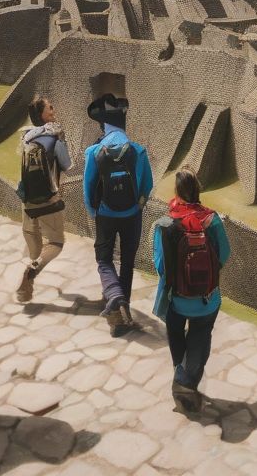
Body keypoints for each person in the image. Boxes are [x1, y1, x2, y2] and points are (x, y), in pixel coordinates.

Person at [152, 169, 231, 413]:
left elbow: (160, 265)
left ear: (176, 192)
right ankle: (186, 381)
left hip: (177, 299)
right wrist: (205, 274)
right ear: (198, 190)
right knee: (200, 334)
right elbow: (225, 253)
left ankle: (181, 374)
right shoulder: (212, 220)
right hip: (208, 299)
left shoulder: (166, 225)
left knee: (175, 331)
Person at [84, 93, 153, 335]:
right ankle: (125, 312)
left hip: (105, 214)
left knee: (104, 259)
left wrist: (95, 211)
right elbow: (147, 186)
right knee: (127, 262)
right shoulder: (138, 151)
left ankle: (114, 297)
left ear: (104, 126)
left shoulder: (94, 152)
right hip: (132, 215)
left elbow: (88, 187)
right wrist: (137, 206)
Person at [16, 96, 72, 304]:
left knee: (33, 239)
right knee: (56, 243)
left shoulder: (26, 138)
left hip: (27, 199)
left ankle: (26, 289)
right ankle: (31, 272)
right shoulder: (54, 138)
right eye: (50, 107)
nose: (53, 109)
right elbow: (67, 165)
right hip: (48, 199)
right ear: (42, 115)